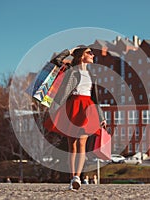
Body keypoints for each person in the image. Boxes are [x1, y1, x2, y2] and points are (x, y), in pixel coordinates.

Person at [44, 45, 106, 190]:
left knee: (82, 144)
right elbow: (56, 60)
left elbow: (95, 98)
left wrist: (101, 116)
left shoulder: (92, 75)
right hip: (72, 107)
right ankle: (73, 178)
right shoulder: (70, 71)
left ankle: (78, 176)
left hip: (87, 109)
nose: (92, 55)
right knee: (72, 146)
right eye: (89, 52)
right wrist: (70, 51)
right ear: (81, 56)